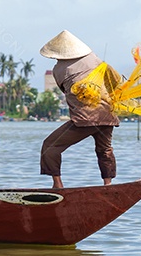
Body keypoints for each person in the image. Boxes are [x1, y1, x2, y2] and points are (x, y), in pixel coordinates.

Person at [39, 30, 118, 188]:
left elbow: (66, 91)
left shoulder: (59, 69)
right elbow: (114, 81)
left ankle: (58, 184)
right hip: (108, 115)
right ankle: (108, 184)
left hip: (85, 119)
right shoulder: (95, 59)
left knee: (50, 146)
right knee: (104, 150)